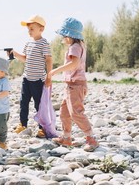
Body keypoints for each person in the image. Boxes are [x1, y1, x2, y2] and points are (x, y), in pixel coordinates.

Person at [48, 17, 99, 152]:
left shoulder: (75, 47)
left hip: (76, 85)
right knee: (64, 113)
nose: (62, 39)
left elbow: (74, 64)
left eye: (63, 36)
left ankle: (91, 138)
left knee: (76, 113)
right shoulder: (79, 45)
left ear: (69, 36)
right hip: (71, 85)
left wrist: (56, 71)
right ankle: (66, 137)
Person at [10, 15, 52, 138]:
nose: (29, 31)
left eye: (32, 29)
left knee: (38, 104)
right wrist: (15, 53)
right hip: (26, 78)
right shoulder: (28, 43)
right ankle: (23, 124)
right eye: (28, 29)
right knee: (23, 102)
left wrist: (49, 76)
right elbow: (25, 59)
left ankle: (42, 127)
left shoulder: (44, 43)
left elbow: (48, 60)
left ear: (41, 29)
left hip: (38, 79)